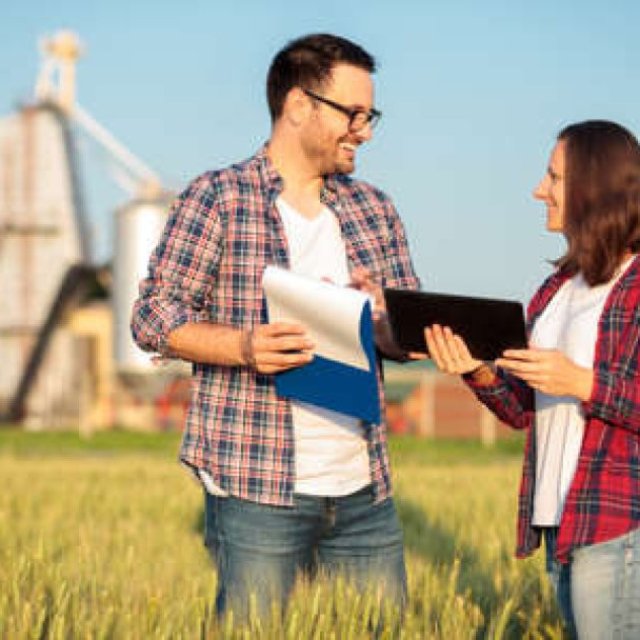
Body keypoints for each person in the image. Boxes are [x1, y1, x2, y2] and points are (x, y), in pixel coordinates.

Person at [131, 33, 420, 621]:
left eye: (371, 116)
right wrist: (244, 346)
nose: (364, 130)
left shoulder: (375, 208)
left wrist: (387, 321)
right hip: (256, 488)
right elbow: (152, 316)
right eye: (353, 114)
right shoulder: (219, 198)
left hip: (364, 488)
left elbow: (402, 340)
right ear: (298, 106)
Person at [425, 120, 640, 639]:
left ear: (595, 186)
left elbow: (591, 388)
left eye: (554, 177)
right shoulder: (556, 289)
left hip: (620, 524)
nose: (538, 190)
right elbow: (525, 409)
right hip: (561, 520)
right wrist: (475, 369)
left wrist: (583, 382)